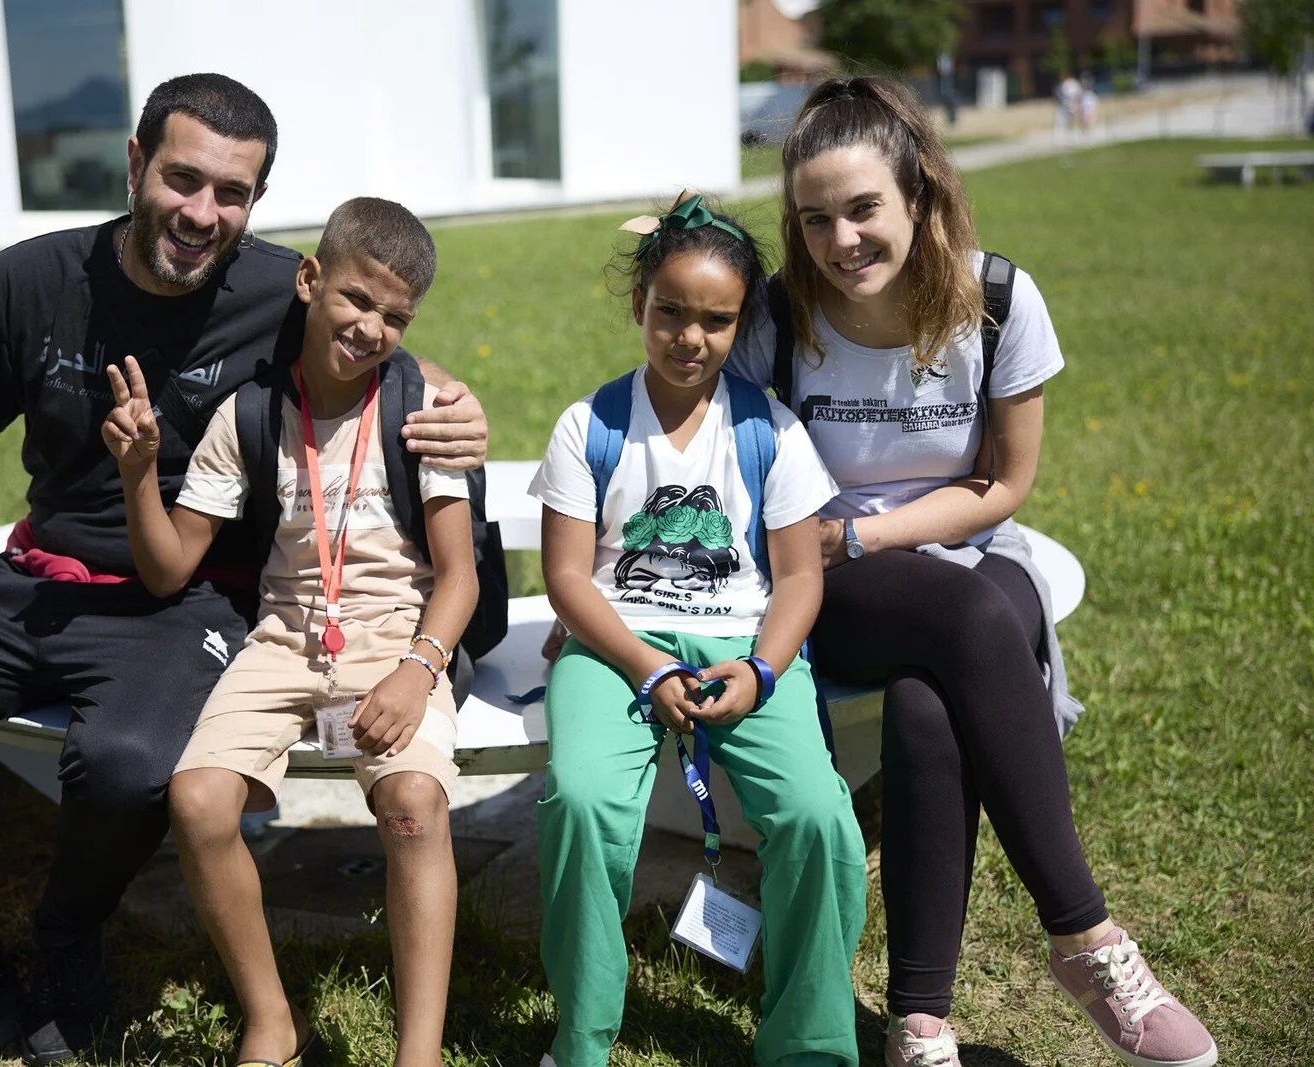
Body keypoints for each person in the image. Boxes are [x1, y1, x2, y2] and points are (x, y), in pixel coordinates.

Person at [0, 74, 488, 1067]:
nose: (202, 212)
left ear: (256, 206)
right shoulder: (24, 281)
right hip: (38, 578)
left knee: (134, 764)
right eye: (183, 179)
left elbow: (379, 346)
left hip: (185, 599)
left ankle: (63, 945)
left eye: (232, 194)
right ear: (136, 164)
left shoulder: (282, 289)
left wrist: (460, 403)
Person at [726, 76, 1217, 1067]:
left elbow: (1001, 481)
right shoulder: (779, 316)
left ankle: (917, 1021)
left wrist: (873, 534)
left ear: (919, 194)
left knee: (924, 700)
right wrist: (839, 542)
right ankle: (1084, 935)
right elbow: (726, 469)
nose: (840, 239)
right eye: (814, 218)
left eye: (862, 209)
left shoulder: (995, 300)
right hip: (818, 575)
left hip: (948, 546)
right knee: (971, 623)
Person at [103, 196, 474, 1067]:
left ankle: (417, 1053)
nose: (371, 326)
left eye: (396, 315)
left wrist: (417, 671)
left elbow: (457, 576)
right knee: (196, 799)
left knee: (415, 805)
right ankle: (272, 1018)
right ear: (310, 280)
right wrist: (135, 476)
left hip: (396, 638)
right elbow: (168, 567)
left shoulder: (425, 408)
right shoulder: (249, 415)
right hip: (281, 641)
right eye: (355, 299)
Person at [528, 192, 865, 1067]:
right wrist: (643, 666)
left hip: (744, 652)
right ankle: (584, 1036)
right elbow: (567, 576)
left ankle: (811, 1043)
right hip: (613, 648)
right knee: (583, 800)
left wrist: (761, 668)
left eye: (715, 321)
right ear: (639, 304)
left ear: (740, 322)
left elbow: (797, 575)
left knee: (820, 816)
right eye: (669, 312)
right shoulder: (589, 424)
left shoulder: (771, 430)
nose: (689, 337)